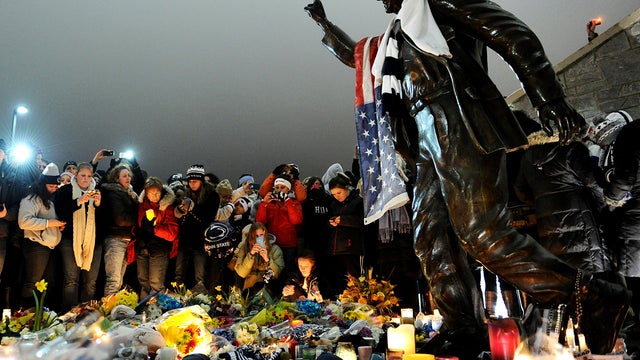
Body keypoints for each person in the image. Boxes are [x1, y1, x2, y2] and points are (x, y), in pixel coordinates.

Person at [304, 0, 630, 354]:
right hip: (425, 134)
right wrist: (324, 23)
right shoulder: (396, 38)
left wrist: (548, 100)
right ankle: (462, 325)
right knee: (431, 238)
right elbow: (355, 54)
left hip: (461, 119)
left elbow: (511, 34)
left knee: (483, 232)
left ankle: (591, 292)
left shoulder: (434, 5)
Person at [594, 112, 640, 331]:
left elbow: (625, 177)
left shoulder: (631, 135)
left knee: (637, 284)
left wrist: (611, 199)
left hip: (636, 221)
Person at [54, 162, 102, 311]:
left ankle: (86, 313)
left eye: (89, 176)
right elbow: (61, 214)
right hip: (70, 239)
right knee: (71, 280)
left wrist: (99, 204)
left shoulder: (97, 192)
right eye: (82, 175)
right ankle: (70, 313)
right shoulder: (65, 191)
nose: (86, 179)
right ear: (76, 175)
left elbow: (104, 221)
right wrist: (78, 202)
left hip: (94, 241)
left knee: (91, 281)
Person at [18, 163, 66, 307]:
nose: (53, 189)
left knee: (48, 283)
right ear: (43, 184)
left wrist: (58, 226)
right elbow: (24, 221)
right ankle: (24, 313)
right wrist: (50, 223)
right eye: (50, 186)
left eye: (55, 187)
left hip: (50, 246)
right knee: (32, 282)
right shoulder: (32, 198)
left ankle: (43, 315)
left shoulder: (52, 200)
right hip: (36, 245)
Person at [175, 164, 219, 292]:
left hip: (200, 241)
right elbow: (178, 218)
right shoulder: (183, 194)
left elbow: (208, 217)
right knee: (179, 274)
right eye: (189, 181)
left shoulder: (212, 195)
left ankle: (200, 301)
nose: (192, 184)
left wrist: (193, 208)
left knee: (200, 275)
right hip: (184, 240)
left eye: (195, 181)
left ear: (201, 180)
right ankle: (176, 299)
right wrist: (179, 210)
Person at [133, 177, 179, 299]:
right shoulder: (141, 206)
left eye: (157, 193)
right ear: (146, 193)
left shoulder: (167, 208)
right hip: (142, 248)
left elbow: (172, 232)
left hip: (159, 249)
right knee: (143, 282)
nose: (155, 196)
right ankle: (143, 311)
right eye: (151, 193)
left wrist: (155, 229)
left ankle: (156, 311)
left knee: (156, 284)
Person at [98, 163, 139, 295]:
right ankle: (108, 312)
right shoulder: (114, 194)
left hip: (126, 239)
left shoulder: (130, 194)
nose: (128, 178)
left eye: (129, 176)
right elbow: (120, 219)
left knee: (119, 280)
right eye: (124, 176)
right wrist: (138, 220)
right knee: (113, 280)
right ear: (116, 179)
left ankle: (114, 310)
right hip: (115, 239)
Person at [326, 173, 364, 298]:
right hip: (336, 249)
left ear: (347, 188)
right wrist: (331, 223)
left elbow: (363, 221)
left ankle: (358, 303)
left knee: (354, 281)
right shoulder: (333, 204)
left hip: (351, 248)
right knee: (339, 282)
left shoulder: (358, 201)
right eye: (334, 194)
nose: (337, 197)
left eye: (339, 193)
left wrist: (344, 220)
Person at [256, 173, 303, 273]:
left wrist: (288, 201)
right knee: (272, 271)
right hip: (272, 244)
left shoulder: (294, 202)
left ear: (288, 189)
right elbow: (260, 223)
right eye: (276, 187)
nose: (279, 190)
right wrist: (264, 204)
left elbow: (296, 220)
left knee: (287, 271)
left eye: (282, 187)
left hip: (288, 245)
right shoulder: (269, 203)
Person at [234, 222, 284, 296]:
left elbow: (277, 274)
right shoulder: (244, 248)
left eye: (261, 235)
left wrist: (267, 259)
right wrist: (251, 255)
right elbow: (241, 273)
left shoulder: (275, 249)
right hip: (249, 288)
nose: (259, 239)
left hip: (268, 287)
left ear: (265, 234)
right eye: (256, 236)